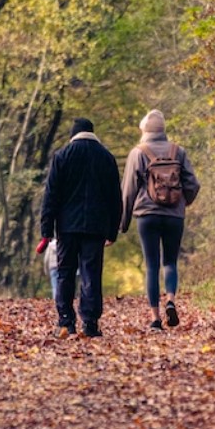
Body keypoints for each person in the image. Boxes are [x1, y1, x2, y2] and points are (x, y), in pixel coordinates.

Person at [38, 117, 122, 337]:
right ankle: (91, 322)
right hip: (96, 226)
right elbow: (115, 198)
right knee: (91, 273)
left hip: (67, 226)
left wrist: (46, 228)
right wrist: (113, 230)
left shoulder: (62, 156)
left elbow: (51, 195)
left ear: (73, 134)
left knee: (65, 272)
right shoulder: (106, 158)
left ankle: (66, 321)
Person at [120, 109, 200, 330]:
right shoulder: (178, 151)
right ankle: (171, 300)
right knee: (170, 262)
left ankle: (155, 318)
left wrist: (122, 224)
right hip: (174, 215)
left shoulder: (138, 152)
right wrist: (182, 204)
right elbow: (193, 184)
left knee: (152, 265)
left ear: (144, 130)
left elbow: (128, 191)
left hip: (147, 216)